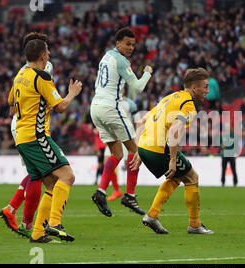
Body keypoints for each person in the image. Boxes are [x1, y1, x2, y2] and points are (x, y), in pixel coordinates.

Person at [8, 38, 83, 243]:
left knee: (51, 185)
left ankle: (38, 233)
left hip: (22, 137)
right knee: (67, 176)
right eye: (47, 52)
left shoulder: (20, 75)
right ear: (42, 56)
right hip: (36, 136)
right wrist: (72, 94)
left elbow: (11, 105)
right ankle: (54, 223)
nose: (49, 54)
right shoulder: (41, 77)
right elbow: (59, 107)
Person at [131, 68, 214, 234]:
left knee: (176, 178)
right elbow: (175, 130)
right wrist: (172, 159)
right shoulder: (189, 104)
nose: (208, 91)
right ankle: (195, 225)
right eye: (205, 87)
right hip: (159, 148)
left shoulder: (169, 98)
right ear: (194, 88)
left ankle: (152, 216)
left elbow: (142, 120)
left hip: (146, 146)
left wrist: (139, 150)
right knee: (192, 178)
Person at [90, 27, 153, 217]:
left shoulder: (106, 56)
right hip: (111, 108)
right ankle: (130, 196)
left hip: (95, 108)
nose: (131, 47)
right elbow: (139, 87)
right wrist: (148, 72)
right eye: (127, 43)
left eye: (133, 44)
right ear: (118, 43)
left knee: (116, 153)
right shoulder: (121, 60)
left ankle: (101, 192)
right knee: (135, 152)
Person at [0, 32, 53, 238]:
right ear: (41, 52)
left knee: (35, 173)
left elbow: (10, 103)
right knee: (45, 175)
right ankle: (32, 224)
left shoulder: (22, 71)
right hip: (31, 127)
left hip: (21, 124)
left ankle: (12, 210)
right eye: (46, 48)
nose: (48, 52)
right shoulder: (43, 69)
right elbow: (51, 99)